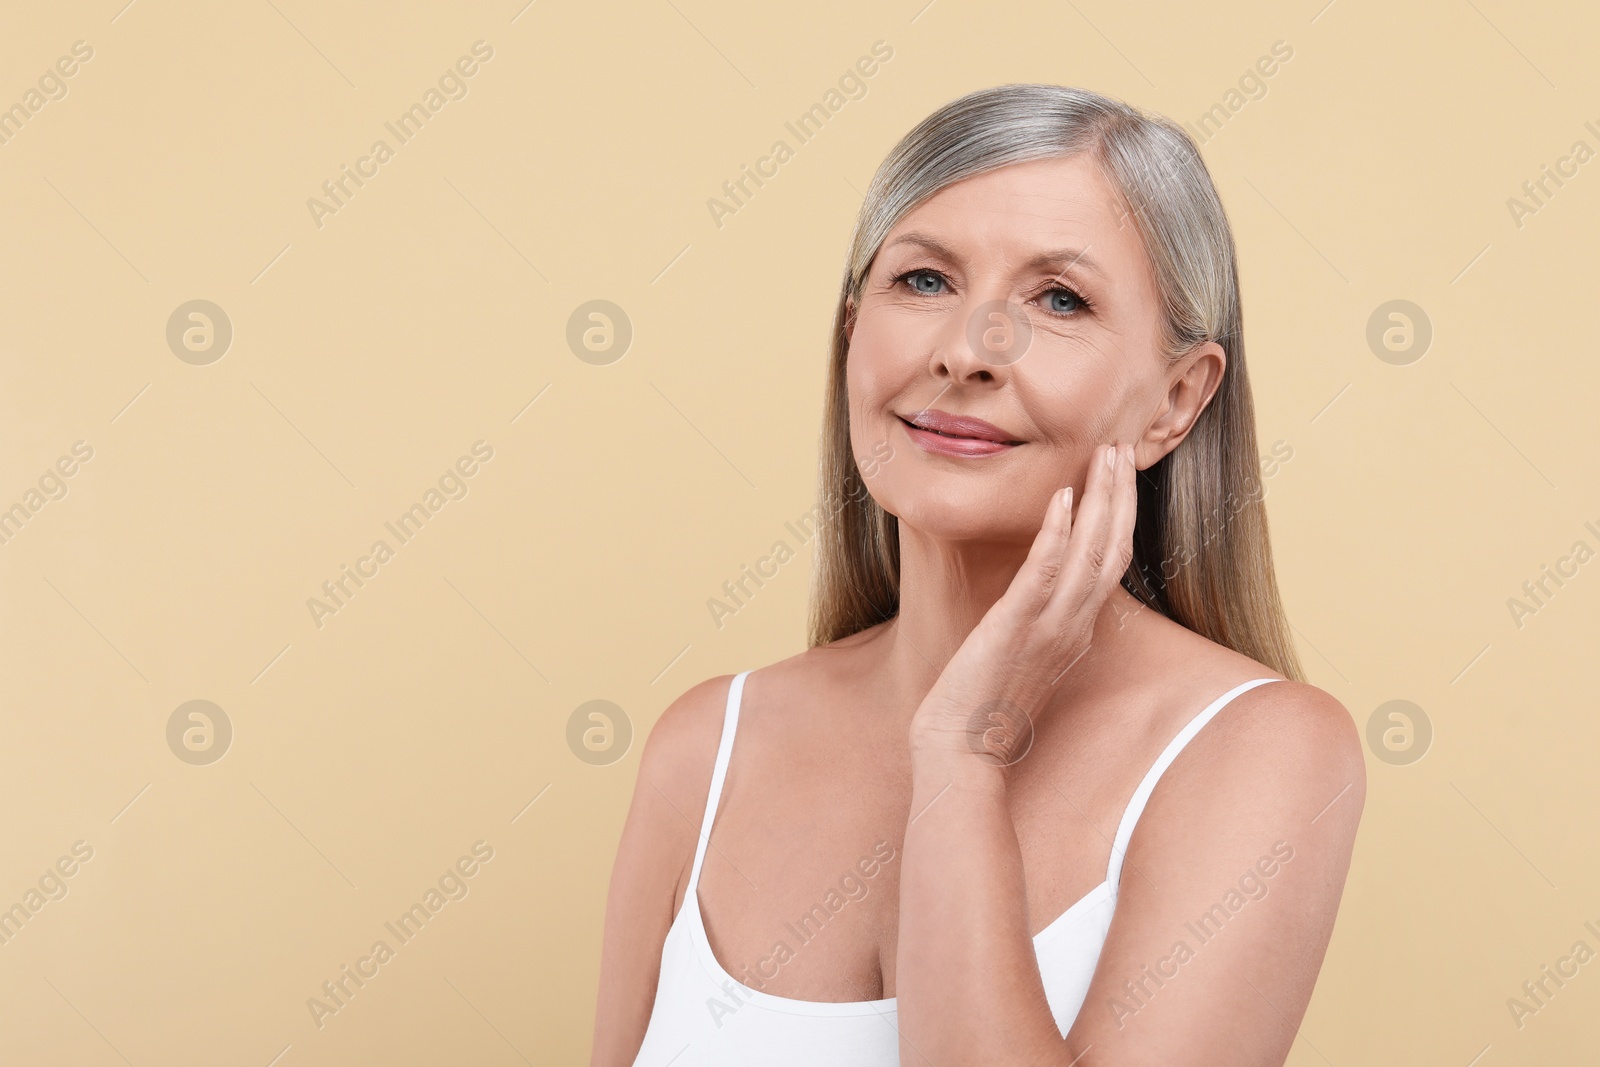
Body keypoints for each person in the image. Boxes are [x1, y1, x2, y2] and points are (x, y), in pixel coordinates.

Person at [592, 83, 1365, 1066]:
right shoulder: (705, 747)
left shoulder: (1260, 751)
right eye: (922, 282)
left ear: (1175, 401)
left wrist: (962, 754)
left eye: (1058, 298)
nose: (965, 351)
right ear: (849, 331)